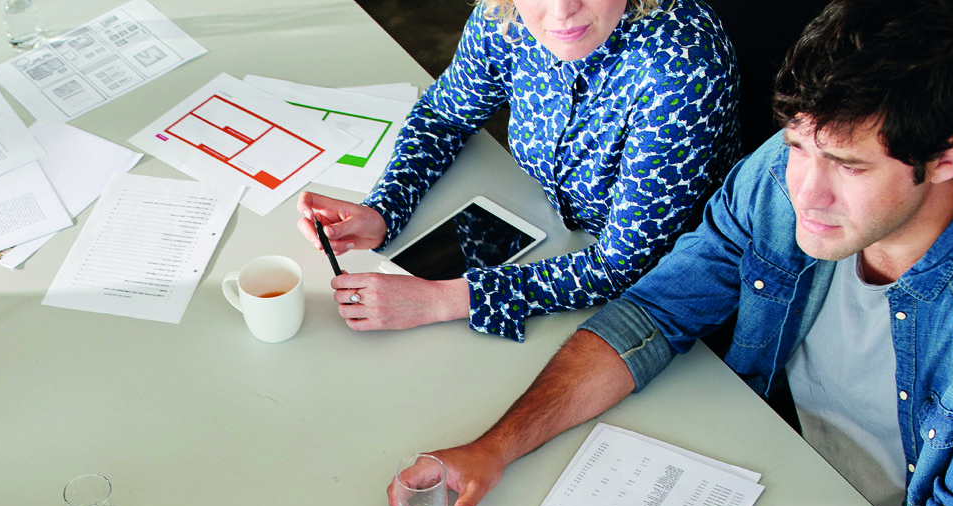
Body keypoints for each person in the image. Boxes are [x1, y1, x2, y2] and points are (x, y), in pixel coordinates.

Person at [396, 0, 953, 506]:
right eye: (802, 145)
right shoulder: (782, 171)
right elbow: (656, 312)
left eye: (849, 166)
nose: (805, 190)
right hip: (790, 475)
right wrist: (495, 446)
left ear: (948, 158)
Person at [298, 0, 738, 342]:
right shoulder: (504, 16)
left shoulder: (681, 64)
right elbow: (444, 116)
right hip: (555, 236)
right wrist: (385, 209)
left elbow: (620, 266)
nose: (561, 13)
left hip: (668, 290)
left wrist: (443, 300)